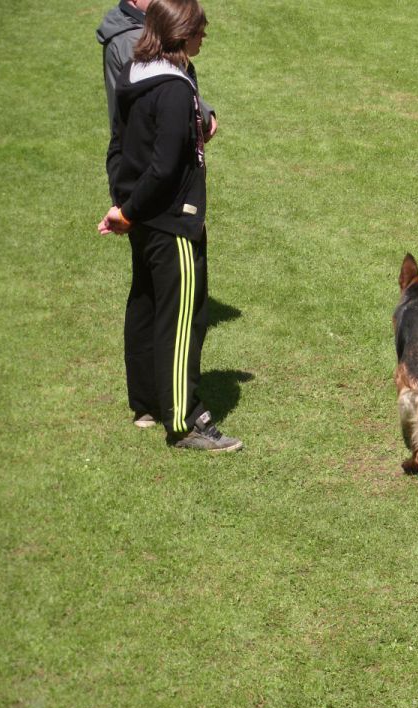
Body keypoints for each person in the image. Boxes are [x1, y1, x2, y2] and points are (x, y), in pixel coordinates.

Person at [98, 0, 242, 451]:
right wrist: (131, 210)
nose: (205, 37)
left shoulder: (133, 76)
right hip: (172, 221)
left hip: (142, 219)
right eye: (200, 30)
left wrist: (122, 205)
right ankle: (182, 421)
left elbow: (118, 147)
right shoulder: (177, 90)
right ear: (181, 35)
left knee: (144, 304)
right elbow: (164, 169)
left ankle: (145, 402)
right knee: (181, 319)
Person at [97, 0, 217, 181]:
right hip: (148, 166)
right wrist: (205, 117)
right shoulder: (135, 41)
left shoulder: (135, 29)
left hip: (143, 161)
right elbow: (169, 92)